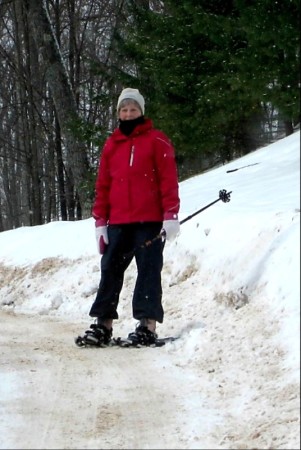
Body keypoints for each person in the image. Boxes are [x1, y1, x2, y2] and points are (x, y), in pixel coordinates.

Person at [82, 87, 180, 346]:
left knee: (148, 270)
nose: (128, 113)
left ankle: (147, 325)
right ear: (118, 113)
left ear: (141, 111)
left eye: (133, 109)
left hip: (149, 221)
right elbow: (103, 185)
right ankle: (103, 324)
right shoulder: (112, 144)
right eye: (124, 109)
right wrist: (100, 222)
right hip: (118, 221)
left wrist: (171, 215)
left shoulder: (157, 140)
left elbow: (169, 181)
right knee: (110, 269)